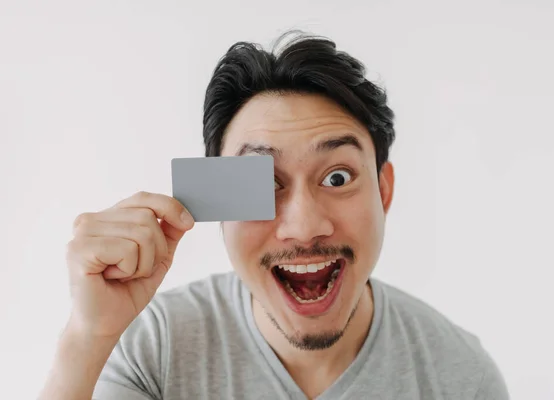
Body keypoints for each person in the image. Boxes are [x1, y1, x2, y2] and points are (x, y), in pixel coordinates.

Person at [40, 31, 509, 400]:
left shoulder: (461, 376)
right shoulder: (156, 347)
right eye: (263, 184)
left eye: (338, 178)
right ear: (219, 206)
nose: (305, 227)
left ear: (384, 190)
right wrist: (86, 338)